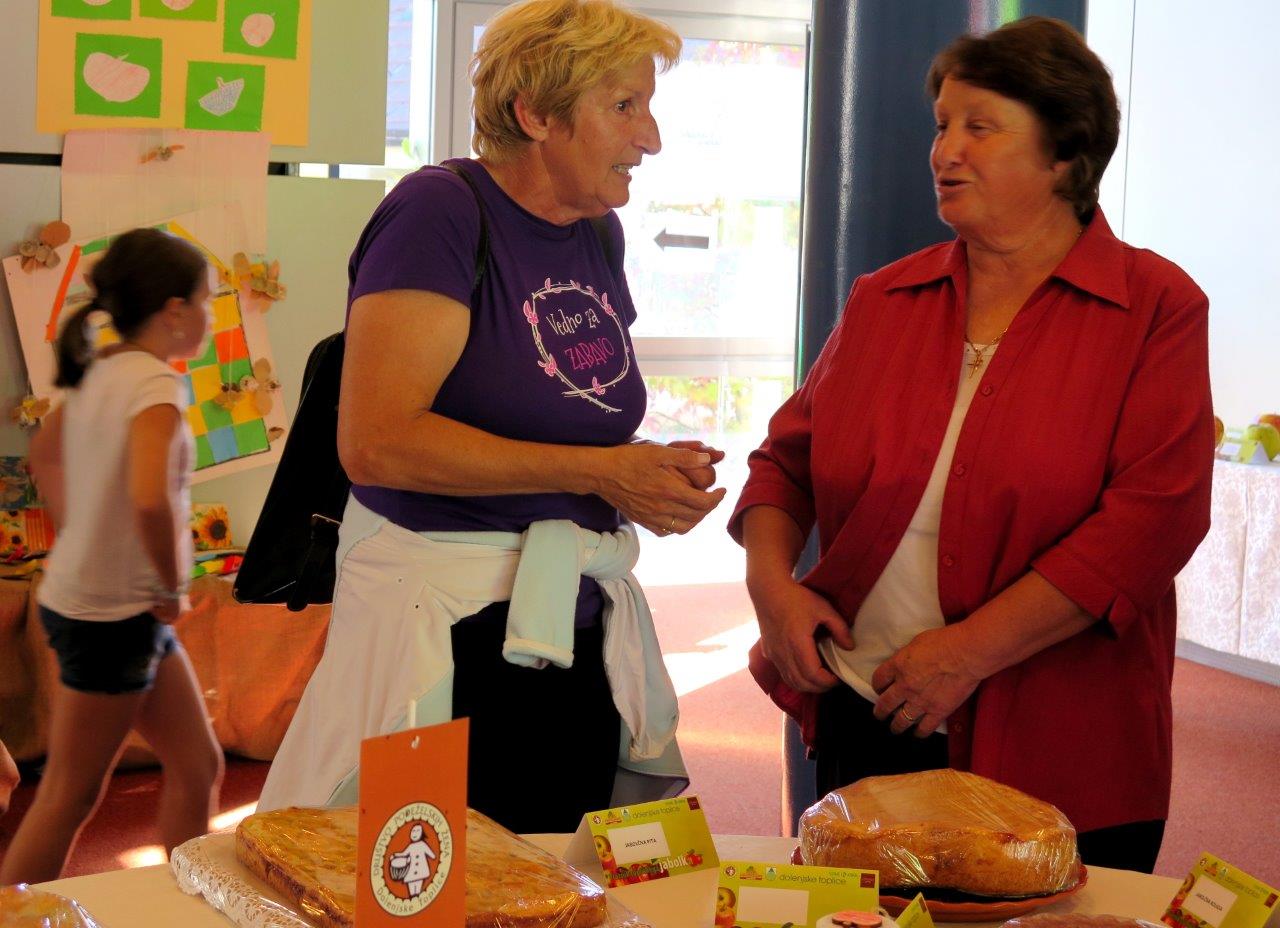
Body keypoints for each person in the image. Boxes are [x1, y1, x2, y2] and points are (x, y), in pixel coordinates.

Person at [731, 17, 1212, 873]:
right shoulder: (885, 298)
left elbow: (1154, 520)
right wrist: (772, 588)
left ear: (1065, 152)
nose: (944, 150)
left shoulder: (1157, 306)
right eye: (942, 125)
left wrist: (968, 653)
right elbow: (783, 466)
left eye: (979, 127)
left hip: (1059, 743)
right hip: (868, 710)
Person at [258, 0, 725, 832]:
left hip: (574, 622)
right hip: (450, 638)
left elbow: (561, 415)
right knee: (437, 879)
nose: (649, 138)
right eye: (624, 106)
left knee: (564, 876)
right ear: (535, 114)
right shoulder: (438, 211)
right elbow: (377, 444)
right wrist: (601, 472)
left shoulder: (597, 234)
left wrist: (644, 469)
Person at [0, 228, 224, 884]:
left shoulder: (102, 370)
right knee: (70, 794)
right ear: (174, 310)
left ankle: (187, 901)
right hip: (114, 618)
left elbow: (45, 454)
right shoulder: (154, 386)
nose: (210, 317)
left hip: (114, 611)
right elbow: (150, 499)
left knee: (198, 764)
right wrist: (170, 585)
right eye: (206, 301)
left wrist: (84, 537)